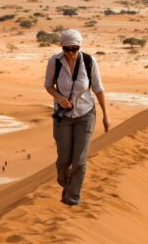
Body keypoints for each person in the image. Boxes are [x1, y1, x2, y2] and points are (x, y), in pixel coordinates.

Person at [44, 29, 110, 205]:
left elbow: (98, 88)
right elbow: (48, 85)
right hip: (63, 116)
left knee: (79, 160)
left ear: (80, 47)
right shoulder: (55, 62)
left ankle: (72, 196)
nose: (71, 53)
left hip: (85, 114)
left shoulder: (88, 61)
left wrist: (106, 115)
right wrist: (59, 97)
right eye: (67, 49)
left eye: (75, 48)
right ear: (62, 47)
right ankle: (66, 184)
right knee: (64, 159)